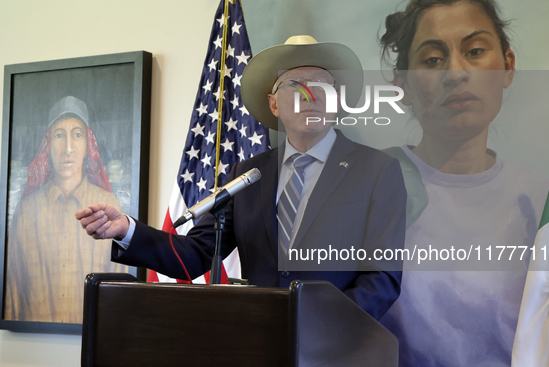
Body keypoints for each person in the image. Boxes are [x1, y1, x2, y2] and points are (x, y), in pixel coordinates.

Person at [76, 35, 407, 321]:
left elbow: (381, 278)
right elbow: (195, 255)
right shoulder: (248, 175)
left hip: (335, 350)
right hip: (256, 345)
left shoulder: (377, 170)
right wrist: (126, 230)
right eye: (295, 84)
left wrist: (321, 325)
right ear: (274, 104)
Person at [376, 0, 549, 366]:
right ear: (401, 86)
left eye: (474, 51)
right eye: (433, 59)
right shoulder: (367, 191)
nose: (455, 72)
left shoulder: (545, 200)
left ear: (508, 65)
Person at [6, 96, 128, 323]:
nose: (68, 148)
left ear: (88, 144)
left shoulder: (108, 206)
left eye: (77, 135)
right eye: (59, 135)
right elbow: (12, 287)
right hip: (33, 344)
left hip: (93, 342)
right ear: (48, 145)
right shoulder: (26, 210)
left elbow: (120, 286)